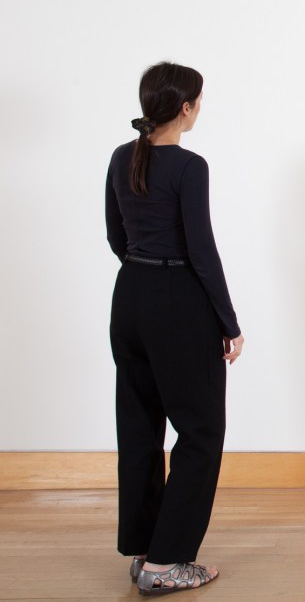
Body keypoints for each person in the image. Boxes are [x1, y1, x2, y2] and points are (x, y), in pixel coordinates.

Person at [105, 62, 245, 595]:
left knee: (140, 426)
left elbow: (116, 235)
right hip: (177, 301)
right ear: (185, 108)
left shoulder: (123, 157)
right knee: (202, 431)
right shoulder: (190, 166)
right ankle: (167, 562)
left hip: (130, 298)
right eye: (199, 101)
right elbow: (201, 251)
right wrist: (228, 322)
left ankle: (144, 552)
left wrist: (143, 270)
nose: (200, 109)